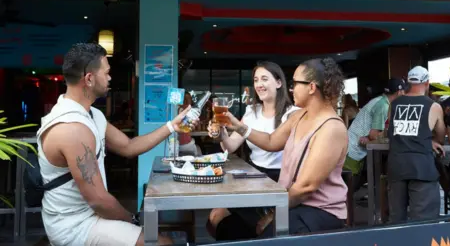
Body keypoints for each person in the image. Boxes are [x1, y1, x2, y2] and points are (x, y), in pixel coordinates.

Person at [37, 43, 195, 246]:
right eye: (107, 72)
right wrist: (133, 220)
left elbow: (129, 147)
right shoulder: (72, 127)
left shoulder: (93, 115)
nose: (110, 78)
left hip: (92, 215)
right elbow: (98, 200)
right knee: (163, 244)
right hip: (75, 226)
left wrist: (172, 126)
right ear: (89, 79)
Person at [212, 58, 348, 240]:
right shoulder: (300, 116)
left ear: (312, 87)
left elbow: (306, 187)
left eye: (295, 83)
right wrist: (237, 125)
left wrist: (273, 215)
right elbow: (270, 141)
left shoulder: (331, 128)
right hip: (292, 203)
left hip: (317, 210)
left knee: (264, 234)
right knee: (229, 226)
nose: (291, 89)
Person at [206, 61, 298, 238]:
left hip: (280, 179)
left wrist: (239, 126)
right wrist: (221, 134)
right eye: (256, 80)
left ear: (279, 83)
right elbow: (230, 146)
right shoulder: (251, 112)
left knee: (250, 226)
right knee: (215, 216)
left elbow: (273, 143)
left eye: (265, 79)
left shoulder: (292, 114)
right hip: (253, 176)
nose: (259, 84)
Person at [386, 66, 446, 223]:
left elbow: (391, 131)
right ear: (427, 83)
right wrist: (431, 140)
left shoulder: (394, 104)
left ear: (408, 82)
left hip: (396, 167)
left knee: (396, 220)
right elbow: (440, 135)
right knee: (424, 222)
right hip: (421, 169)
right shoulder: (433, 106)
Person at [343, 78, 406, 193]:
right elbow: (374, 135)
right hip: (352, 151)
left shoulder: (381, 101)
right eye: (404, 91)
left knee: (350, 189)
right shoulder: (383, 106)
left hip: (354, 149)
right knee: (347, 191)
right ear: (399, 92)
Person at [178, 92, 202, 156]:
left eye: (189, 99)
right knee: (199, 150)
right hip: (185, 146)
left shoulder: (180, 110)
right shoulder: (184, 111)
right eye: (185, 99)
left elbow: (196, 127)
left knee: (198, 148)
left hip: (183, 145)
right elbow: (198, 128)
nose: (188, 101)